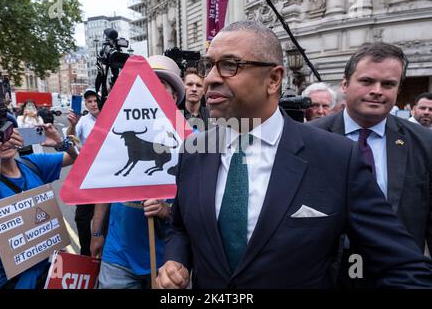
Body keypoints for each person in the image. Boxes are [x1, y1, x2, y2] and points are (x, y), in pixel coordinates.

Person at [155, 21, 432, 289]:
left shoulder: (336, 157)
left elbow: (402, 265)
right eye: (208, 66)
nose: (211, 78)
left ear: (274, 79)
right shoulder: (193, 151)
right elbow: (180, 229)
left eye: (230, 65)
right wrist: (174, 261)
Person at [310, 42, 432, 287]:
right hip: (325, 274)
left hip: (398, 274)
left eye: (388, 84)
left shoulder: (425, 143)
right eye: (367, 81)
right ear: (345, 84)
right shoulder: (308, 139)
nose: (377, 91)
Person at [90, 55, 181, 289]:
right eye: (145, 90)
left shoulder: (191, 144)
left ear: (173, 99)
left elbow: (198, 211)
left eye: (159, 91)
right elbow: (104, 187)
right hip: (118, 256)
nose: (151, 98)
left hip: (167, 261)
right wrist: (97, 232)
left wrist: (166, 210)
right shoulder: (114, 137)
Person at [0, 109, 77, 289]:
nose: (2, 140)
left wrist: (60, 142)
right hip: (5, 278)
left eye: (7, 132)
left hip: (44, 269)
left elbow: (77, 159)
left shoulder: (32, 163)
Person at [66, 89, 100, 256]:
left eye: (95, 101)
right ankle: (86, 254)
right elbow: (70, 138)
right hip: (87, 176)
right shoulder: (83, 121)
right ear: (85, 104)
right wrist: (72, 124)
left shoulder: (111, 117)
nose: (93, 104)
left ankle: (104, 252)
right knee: (82, 217)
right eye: (90, 102)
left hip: (107, 176)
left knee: (105, 218)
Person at [183, 67, 210, 132]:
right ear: (183, 87)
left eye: (198, 85)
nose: (194, 89)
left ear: (203, 90)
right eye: (190, 84)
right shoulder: (174, 115)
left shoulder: (211, 116)